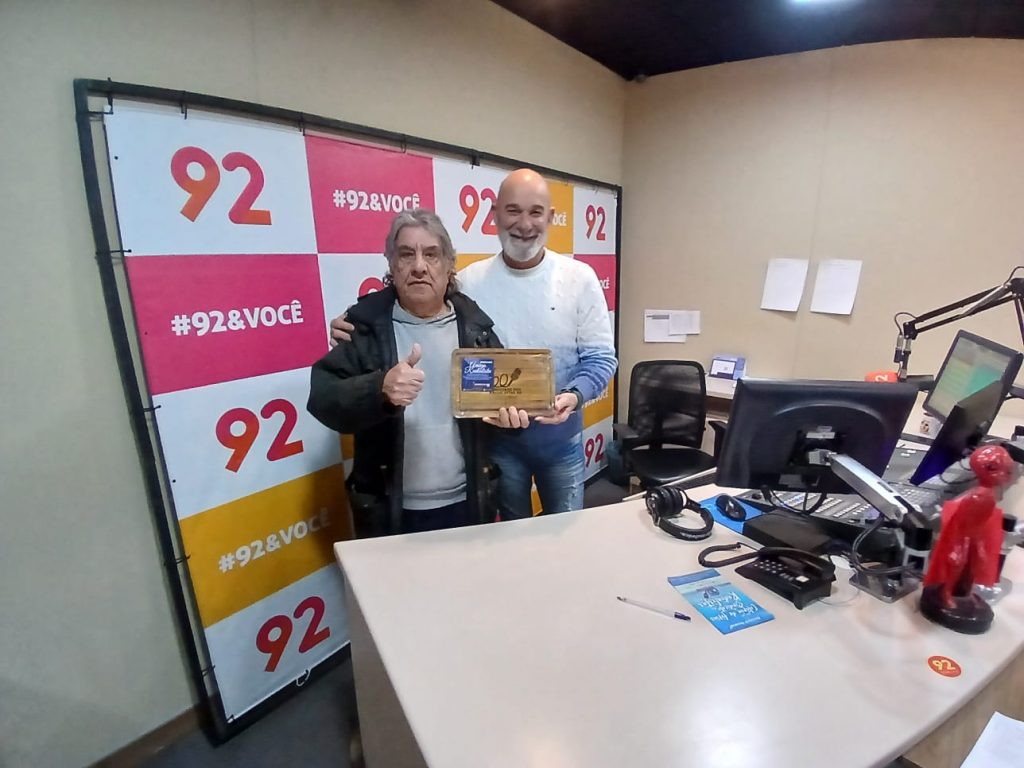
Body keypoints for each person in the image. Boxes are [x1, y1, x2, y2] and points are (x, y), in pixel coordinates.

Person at [330, 169, 617, 519]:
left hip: (561, 444)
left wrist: (574, 395)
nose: (524, 224)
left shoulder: (580, 278)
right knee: (510, 537)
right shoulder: (468, 282)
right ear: (494, 214)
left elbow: (602, 358)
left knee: (565, 536)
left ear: (551, 217)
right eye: (513, 210)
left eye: (535, 212)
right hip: (496, 446)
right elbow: (416, 296)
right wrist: (357, 321)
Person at [308, 208, 526, 535]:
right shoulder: (363, 327)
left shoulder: (477, 330)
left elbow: (497, 408)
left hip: (468, 503)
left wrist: (510, 423)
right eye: (406, 254)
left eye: (432, 254)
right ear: (391, 265)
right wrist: (378, 389)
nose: (419, 266)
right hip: (389, 510)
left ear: (449, 265)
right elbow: (323, 398)